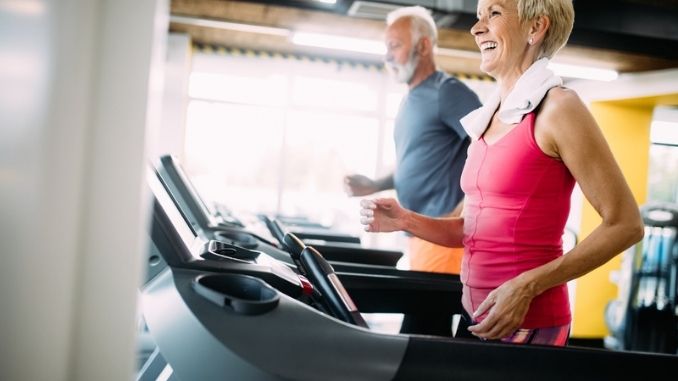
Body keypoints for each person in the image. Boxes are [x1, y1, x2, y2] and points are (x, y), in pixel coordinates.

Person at [359, 0, 644, 346]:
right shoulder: (489, 117)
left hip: (529, 322)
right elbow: (472, 230)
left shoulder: (558, 109)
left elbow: (625, 224)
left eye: (493, 14)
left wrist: (529, 286)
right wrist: (405, 220)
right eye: (479, 17)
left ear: (535, 28)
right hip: (475, 316)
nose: (477, 29)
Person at [344, 5, 482, 336]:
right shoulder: (410, 99)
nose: (388, 56)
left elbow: (492, 143)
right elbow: (418, 160)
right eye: (386, 48)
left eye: (394, 45)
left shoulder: (446, 91)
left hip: (444, 237)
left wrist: (468, 204)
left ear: (422, 46)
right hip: (419, 235)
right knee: (424, 330)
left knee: (421, 331)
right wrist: (377, 183)